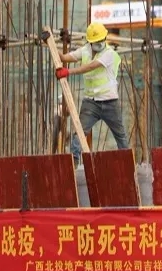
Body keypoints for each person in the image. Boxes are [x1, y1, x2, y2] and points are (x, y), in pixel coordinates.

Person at [54, 22, 129, 166]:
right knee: (79, 133)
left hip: (110, 102)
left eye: (101, 40)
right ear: (90, 42)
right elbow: (65, 57)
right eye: (96, 41)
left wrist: (68, 72)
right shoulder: (85, 50)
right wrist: (51, 46)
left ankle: (126, 164)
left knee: (120, 136)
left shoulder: (109, 54)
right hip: (91, 103)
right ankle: (74, 163)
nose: (99, 43)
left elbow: (90, 67)